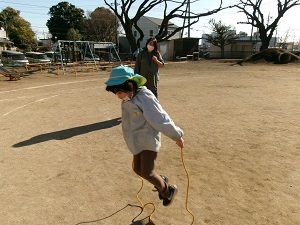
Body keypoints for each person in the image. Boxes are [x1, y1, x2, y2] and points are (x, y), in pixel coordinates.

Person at [105, 66, 184, 206]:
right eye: (116, 93)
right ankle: (161, 180)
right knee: (137, 169)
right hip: (136, 142)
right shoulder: (127, 99)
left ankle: (168, 192)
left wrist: (176, 135)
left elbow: (160, 118)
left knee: (147, 172)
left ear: (130, 85)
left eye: (119, 92)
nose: (118, 96)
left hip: (148, 141)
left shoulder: (144, 97)